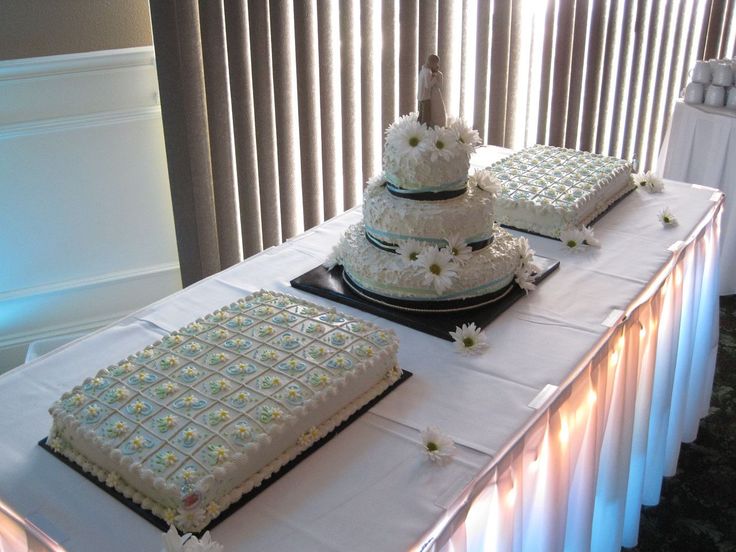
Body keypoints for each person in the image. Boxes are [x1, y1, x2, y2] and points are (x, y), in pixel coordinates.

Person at [417, 54, 446, 127]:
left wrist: (435, 78)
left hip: (434, 94)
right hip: (427, 96)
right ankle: (422, 127)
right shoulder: (427, 72)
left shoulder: (438, 74)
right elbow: (428, 85)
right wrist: (434, 78)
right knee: (425, 114)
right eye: (436, 63)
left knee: (433, 111)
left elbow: (439, 86)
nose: (437, 65)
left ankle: (424, 126)